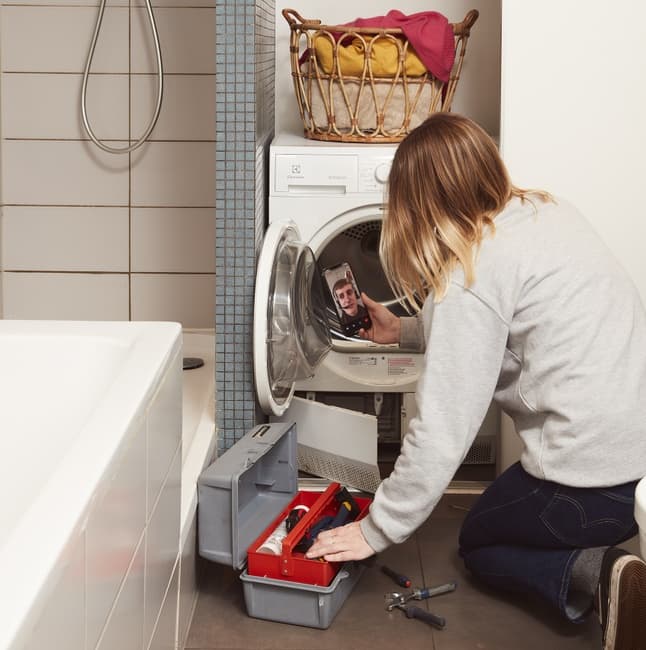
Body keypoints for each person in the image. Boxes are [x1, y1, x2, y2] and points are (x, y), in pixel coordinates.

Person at [305, 113, 646, 650]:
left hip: (585, 491)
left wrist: (376, 530)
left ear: (418, 209)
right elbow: (496, 331)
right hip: (631, 470)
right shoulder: (543, 213)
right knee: (501, 509)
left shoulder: (470, 273)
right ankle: (600, 553)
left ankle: (600, 576)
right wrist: (403, 330)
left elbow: (440, 432)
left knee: (478, 544)